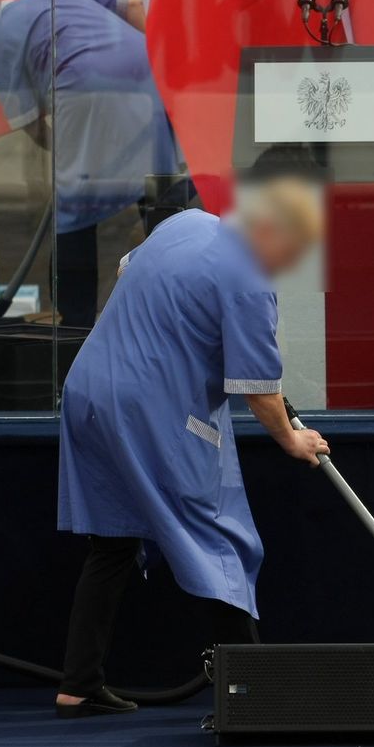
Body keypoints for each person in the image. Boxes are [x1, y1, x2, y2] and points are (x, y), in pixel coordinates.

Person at [53, 179, 329, 717]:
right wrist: (293, 439)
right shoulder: (250, 278)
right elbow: (260, 390)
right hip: (148, 411)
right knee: (217, 542)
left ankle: (78, 684)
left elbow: (125, 269)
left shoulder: (185, 224)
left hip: (87, 391)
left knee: (111, 544)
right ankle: (249, 695)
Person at [0, 0, 180, 327]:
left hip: (83, 86)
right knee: (158, 189)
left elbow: (32, 125)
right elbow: (134, 5)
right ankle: (176, 300)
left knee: (73, 209)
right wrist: (156, 68)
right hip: (145, 69)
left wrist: (71, 151)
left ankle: (76, 324)